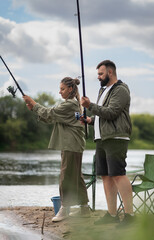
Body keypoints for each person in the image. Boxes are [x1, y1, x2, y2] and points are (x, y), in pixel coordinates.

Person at [23, 77, 89, 222]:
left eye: (62, 89)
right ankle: (84, 209)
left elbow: (50, 113)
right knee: (76, 175)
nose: (59, 92)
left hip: (70, 144)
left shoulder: (70, 105)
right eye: (59, 89)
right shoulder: (72, 104)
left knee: (66, 176)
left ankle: (64, 209)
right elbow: (51, 117)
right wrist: (34, 109)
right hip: (74, 144)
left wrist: (33, 103)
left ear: (70, 89)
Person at [81, 60, 134, 224]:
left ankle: (130, 217)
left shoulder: (121, 90)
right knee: (106, 176)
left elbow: (111, 113)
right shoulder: (103, 90)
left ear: (110, 72)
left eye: (100, 74)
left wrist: (90, 105)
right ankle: (111, 215)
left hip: (116, 138)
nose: (98, 77)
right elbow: (102, 115)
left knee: (118, 175)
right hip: (102, 139)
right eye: (98, 74)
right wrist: (90, 120)